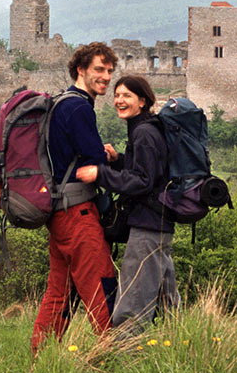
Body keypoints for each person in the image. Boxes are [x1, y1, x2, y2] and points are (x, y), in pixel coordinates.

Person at [30, 42, 119, 354]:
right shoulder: (80, 107)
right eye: (99, 69)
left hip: (58, 212)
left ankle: (40, 358)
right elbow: (93, 159)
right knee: (101, 281)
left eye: (109, 71)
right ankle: (112, 355)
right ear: (80, 70)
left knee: (60, 291)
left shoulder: (59, 103)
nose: (106, 77)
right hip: (78, 213)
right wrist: (107, 155)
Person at [75, 75, 178, 338]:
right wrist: (119, 160)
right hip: (159, 223)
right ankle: (179, 345)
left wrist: (99, 174)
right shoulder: (145, 128)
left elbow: (142, 182)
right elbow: (151, 173)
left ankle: (123, 356)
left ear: (142, 101)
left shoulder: (143, 133)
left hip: (147, 224)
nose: (119, 100)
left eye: (127, 96)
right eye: (117, 95)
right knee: (168, 301)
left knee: (132, 298)